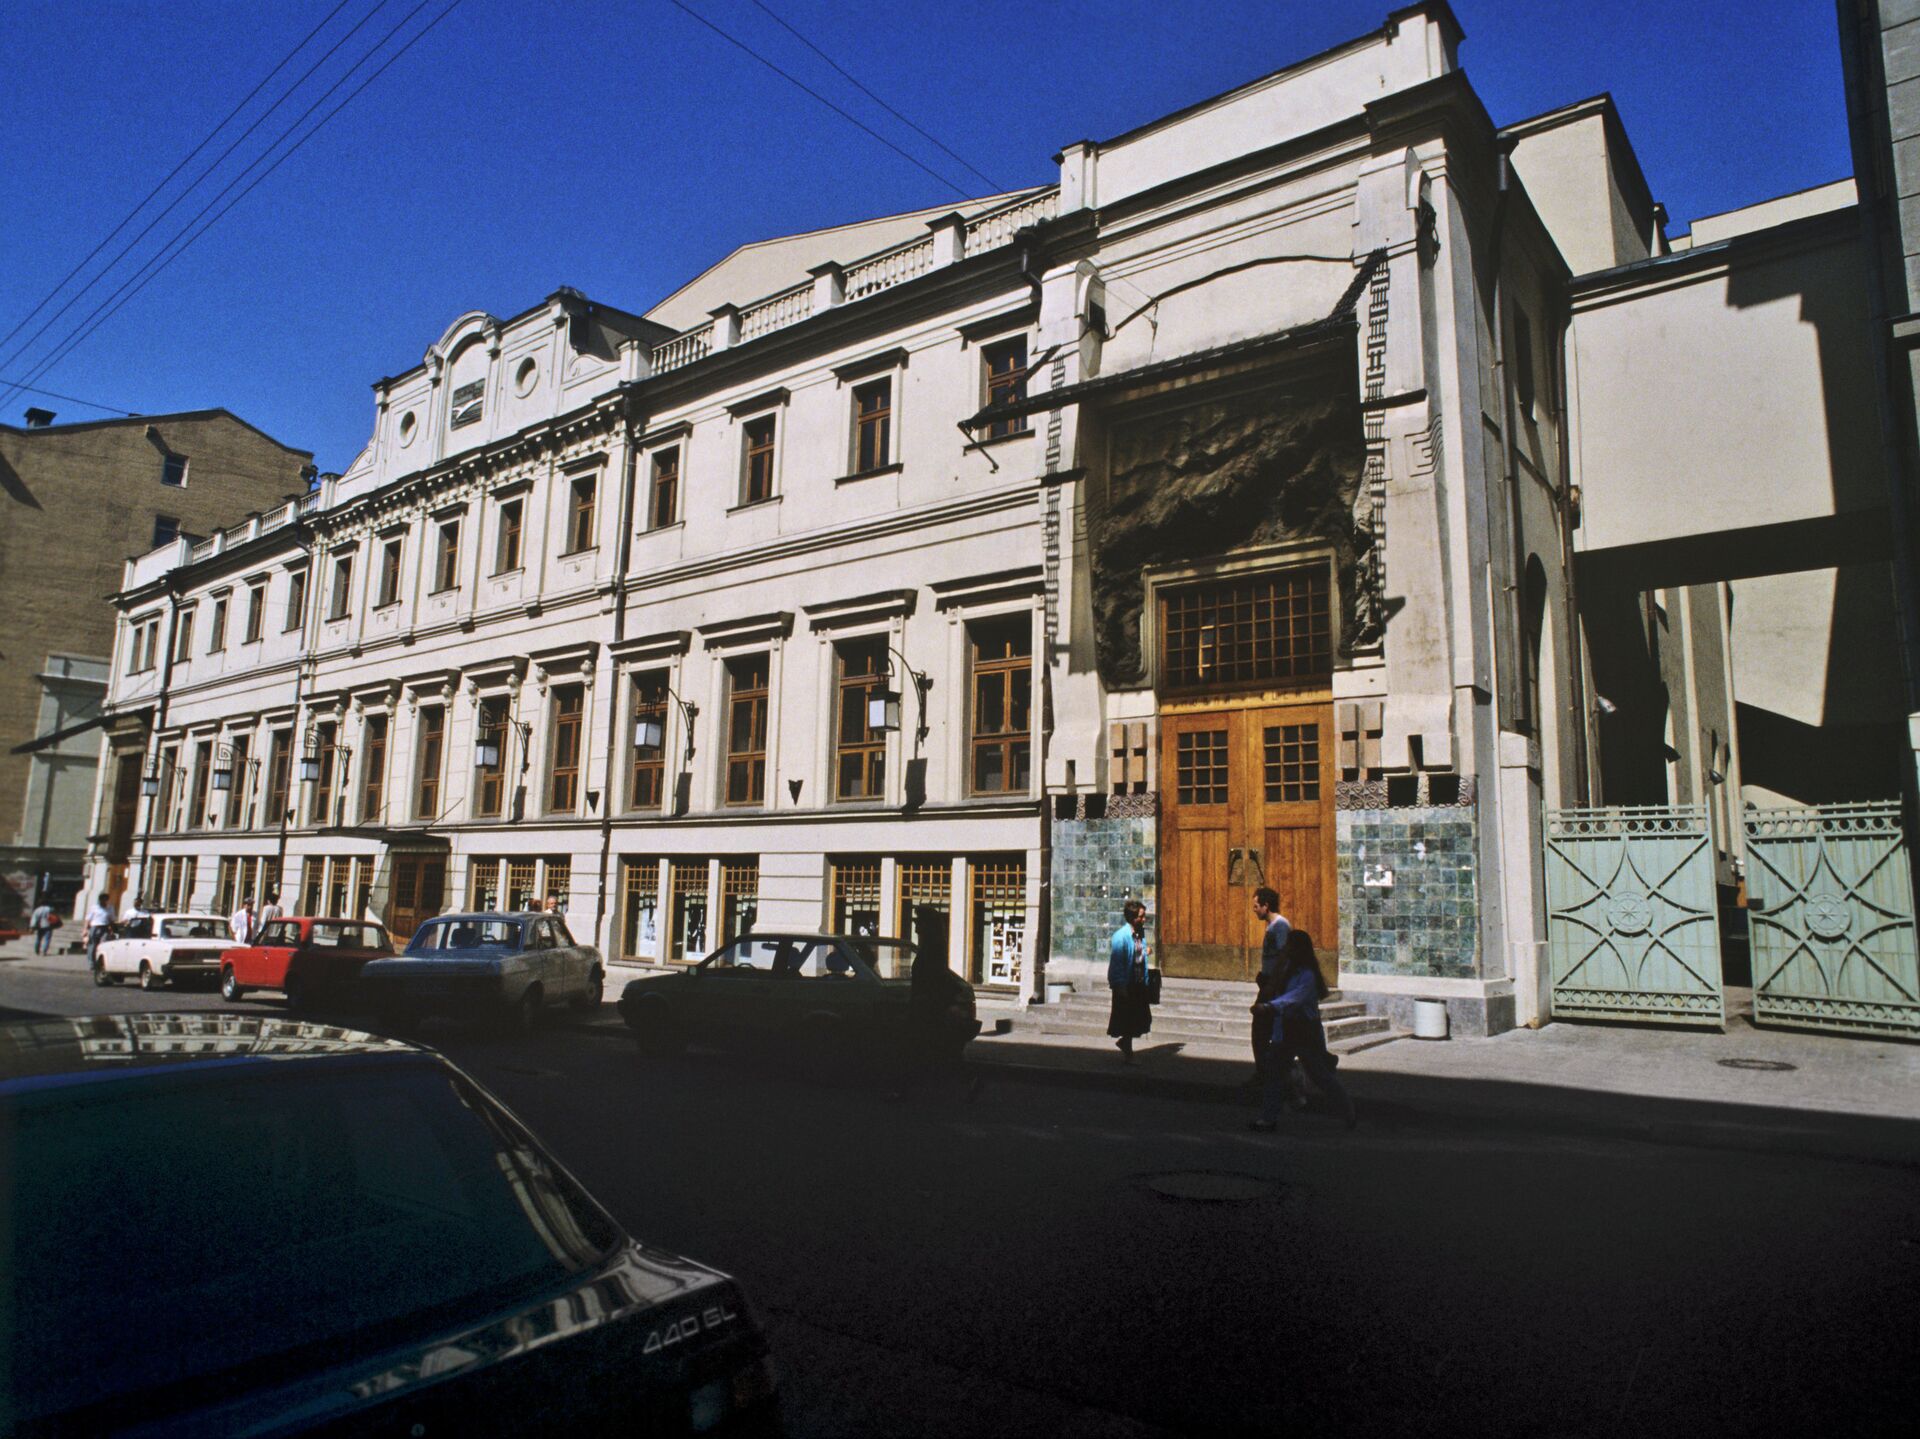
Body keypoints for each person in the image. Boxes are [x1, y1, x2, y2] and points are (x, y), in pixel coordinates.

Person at [1250, 921, 1356, 1132]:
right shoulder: (1287, 969)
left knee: (1320, 1075)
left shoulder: (1307, 975)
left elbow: (1295, 999)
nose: (1286, 949)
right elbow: (1278, 991)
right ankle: (1268, 1118)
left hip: (1304, 1030)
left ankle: (1348, 1112)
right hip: (1286, 1029)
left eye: (1290, 946)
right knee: (1274, 1074)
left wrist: (1270, 1007)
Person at [1247, 887, 1304, 1109]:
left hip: (1274, 988)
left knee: (1263, 1030)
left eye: (1256, 906)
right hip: (1269, 984)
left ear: (1266, 905)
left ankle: (1272, 1076)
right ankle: (1267, 1073)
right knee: (1263, 1031)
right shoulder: (1273, 926)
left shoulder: (1280, 927)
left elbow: (1283, 958)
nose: (1254, 910)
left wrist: (1273, 984)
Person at [1107, 899, 1153, 1064]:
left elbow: (1136, 955)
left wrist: (1146, 951)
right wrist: (1119, 985)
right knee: (1128, 1021)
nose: (1144, 919)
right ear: (1132, 918)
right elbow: (1117, 963)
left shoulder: (1139, 933)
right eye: (1141, 916)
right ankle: (1129, 1055)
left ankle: (1125, 1043)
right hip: (1126, 984)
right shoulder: (1121, 937)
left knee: (1139, 1019)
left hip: (1138, 982)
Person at [84, 893, 114, 969]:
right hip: (95, 927)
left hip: (105, 927)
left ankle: (101, 962)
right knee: (92, 945)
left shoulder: (110, 908)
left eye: (105, 899)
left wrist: (112, 929)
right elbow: (88, 919)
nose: (103, 901)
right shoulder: (94, 907)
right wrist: (85, 929)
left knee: (103, 944)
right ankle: (92, 963)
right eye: (102, 899)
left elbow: (111, 919)